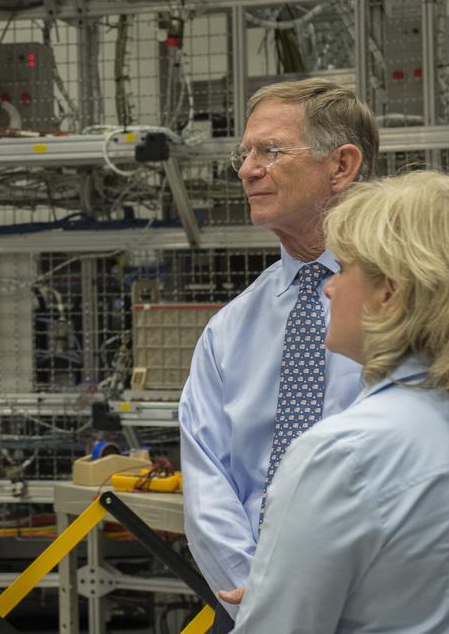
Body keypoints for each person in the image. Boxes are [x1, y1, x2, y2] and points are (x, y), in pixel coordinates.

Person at [234, 170, 449, 632]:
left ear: (389, 292)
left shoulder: (341, 455)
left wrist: (275, 598)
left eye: (344, 269)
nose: (328, 286)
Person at [178, 78, 379, 629]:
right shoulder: (229, 331)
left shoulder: (405, 309)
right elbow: (208, 486)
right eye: (244, 153)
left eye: (269, 151)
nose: (247, 170)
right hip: (246, 605)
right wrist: (264, 607)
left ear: (341, 167)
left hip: (369, 606)